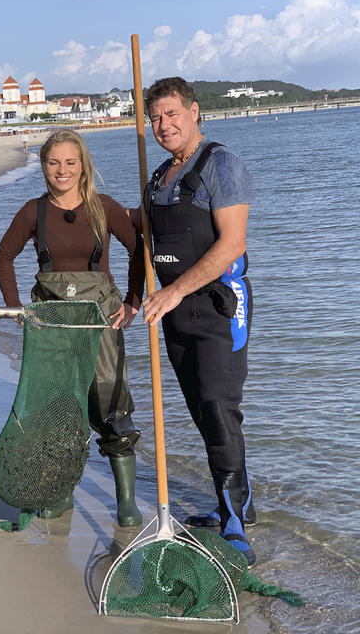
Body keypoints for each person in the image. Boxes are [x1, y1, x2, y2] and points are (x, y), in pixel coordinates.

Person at [0, 129, 143, 527]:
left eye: (70, 162)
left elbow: (138, 249)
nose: (61, 170)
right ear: (43, 166)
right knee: (57, 409)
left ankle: (125, 501)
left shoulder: (104, 208)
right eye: (53, 162)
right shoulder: (33, 212)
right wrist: (16, 309)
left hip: (100, 319)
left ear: (83, 166)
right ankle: (59, 492)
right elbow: (3, 256)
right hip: (52, 322)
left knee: (112, 405)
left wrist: (133, 301)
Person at [136, 77, 256, 564]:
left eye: (171, 114)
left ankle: (233, 517)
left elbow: (232, 243)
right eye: (155, 118)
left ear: (194, 111)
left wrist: (174, 291)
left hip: (219, 309)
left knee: (220, 407)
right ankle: (236, 504)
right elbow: (147, 245)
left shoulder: (220, 165)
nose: (164, 125)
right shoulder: (160, 175)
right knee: (203, 413)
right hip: (174, 313)